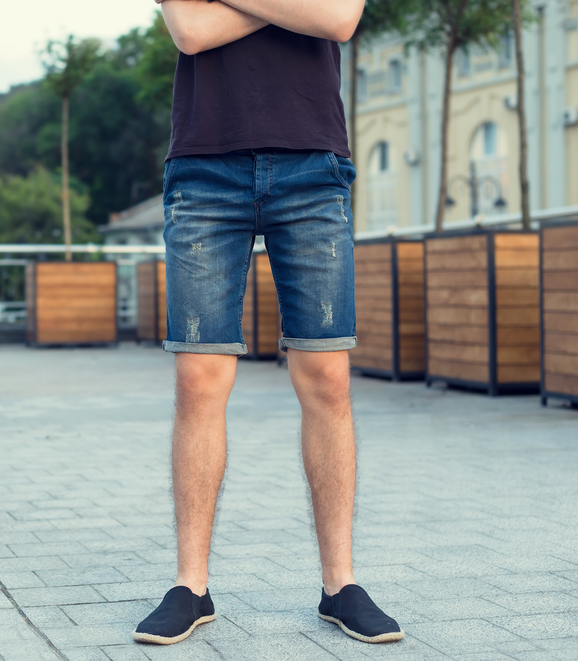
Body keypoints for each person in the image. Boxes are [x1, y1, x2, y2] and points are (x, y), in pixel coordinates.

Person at [131, 0, 404, 647]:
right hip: (204, 166)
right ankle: (190, 586)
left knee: (328, 378)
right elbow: (190, 32)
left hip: (314, 163)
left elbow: (339, 18)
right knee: (198, 380)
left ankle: (340, 585)